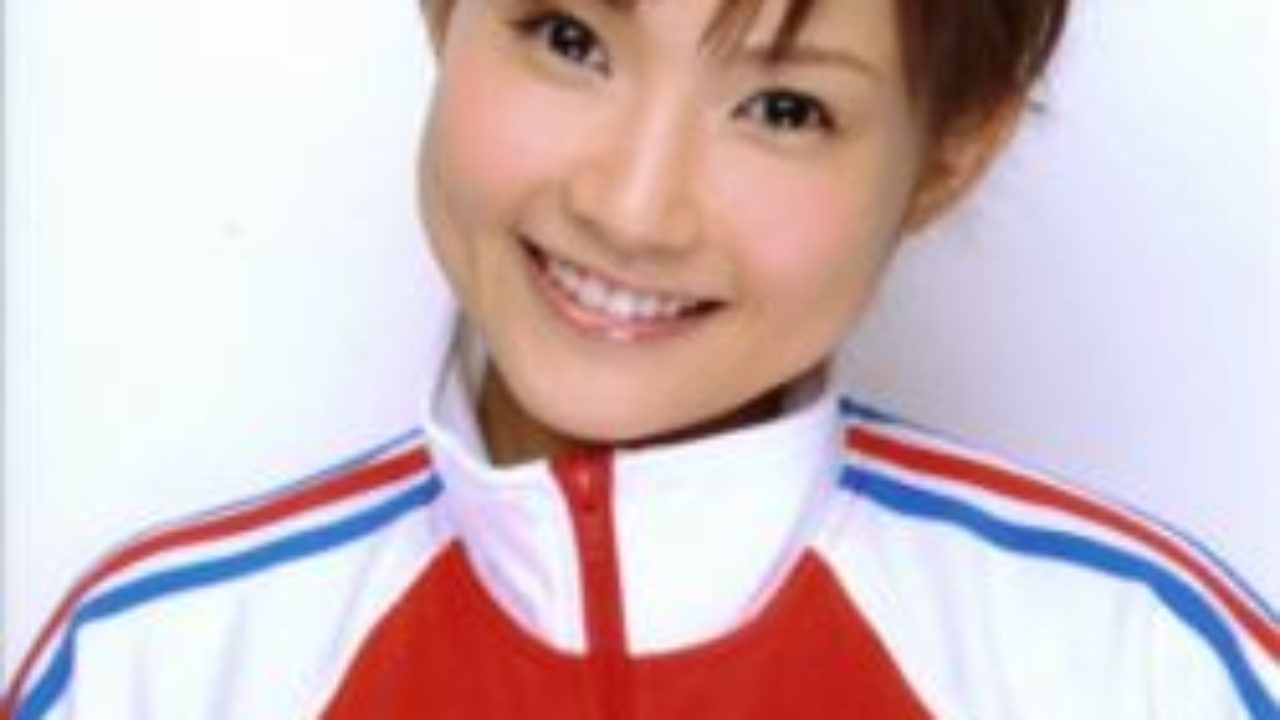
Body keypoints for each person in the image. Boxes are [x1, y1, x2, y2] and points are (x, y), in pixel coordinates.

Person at [4, 0, 1278, 717]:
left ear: (951, 152)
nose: (632, 207)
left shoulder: (1146, 671)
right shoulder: (150, 670)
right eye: (568, 37)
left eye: (782, 108)